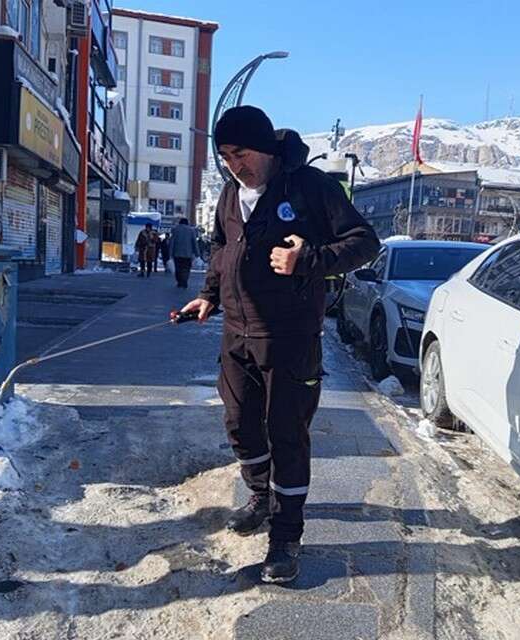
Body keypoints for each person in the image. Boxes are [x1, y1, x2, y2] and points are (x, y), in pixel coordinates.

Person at [179, 105, 379, 583]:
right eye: (225, 155)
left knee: (287, 434)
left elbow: (364, 242)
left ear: (266, 149)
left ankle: (286, 536)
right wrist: (207, 297)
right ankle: (260, 496)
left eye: (241, 153)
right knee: (240, 423)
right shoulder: (230, 194)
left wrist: (308, 258)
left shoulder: (312, 188)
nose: (234, 165)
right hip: (237, 335)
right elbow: (221, 251)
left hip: (290, 338)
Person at [170, 218, 198, 289]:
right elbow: (194, 242)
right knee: (186, 268)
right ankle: (184, 281)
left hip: (177, 253)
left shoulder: (175, 229)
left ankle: (179, 281)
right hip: (188, 254)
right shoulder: (191, 230)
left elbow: (172, 242)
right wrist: (197, 253)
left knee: (178, 268)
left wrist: (170, 253)